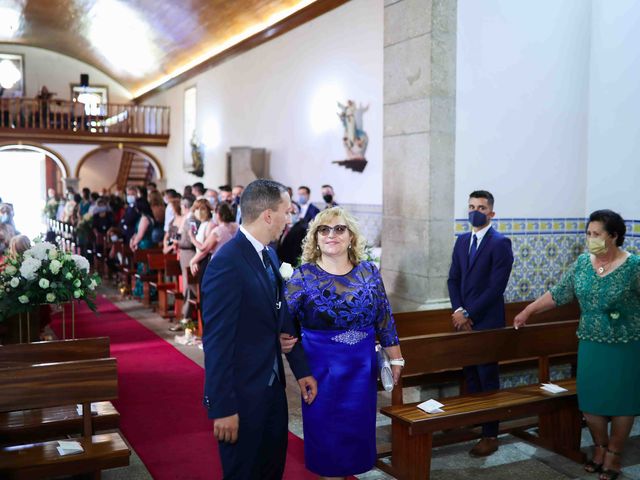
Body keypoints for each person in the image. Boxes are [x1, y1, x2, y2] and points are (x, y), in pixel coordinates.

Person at [201, 179, 317, 479]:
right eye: (286, 212)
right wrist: (222, 407)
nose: (289, 219)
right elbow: (216, 341)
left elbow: (281, 319)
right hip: (242, 397)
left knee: (270, 470)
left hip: (272, 393)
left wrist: (302, 369)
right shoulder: (227, 262)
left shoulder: (270, 255)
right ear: (268, 215)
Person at [514, 210, 639, 480]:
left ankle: (614, 453)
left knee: (622, 402)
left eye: (597, 234)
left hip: (624, 346)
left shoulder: (633, 267)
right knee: (591, 401)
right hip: (591, 344)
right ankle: (599, 446)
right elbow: (558, 293)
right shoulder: (583, 263)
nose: (590, 239)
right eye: (588, 233)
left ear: (614, 236)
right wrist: (528, 311)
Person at [285, 206, 402, 478]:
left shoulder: (369, 272)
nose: (331, 235)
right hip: (321, 372)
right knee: (326, 438)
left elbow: (384, 318)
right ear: (315, 238)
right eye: (323, 230)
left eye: (339, 229)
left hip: (361, 370)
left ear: (351, 236)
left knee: (358, 435)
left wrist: (396, 358)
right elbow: (286, 331)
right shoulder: (302, 277)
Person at [446, 190, 513, 457]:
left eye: (482, 208)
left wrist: (470, 312)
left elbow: (496, 288)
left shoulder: (500, 243)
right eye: (472, 206)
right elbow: (453, 279)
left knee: (487, 378)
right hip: (464, 321)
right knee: (470, 374)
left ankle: (490, 434)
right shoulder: (463, 240)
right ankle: (476, 419)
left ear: (491, 213)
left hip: (487, 321)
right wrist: (459, 311)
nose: (476, 211)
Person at [189, 202, 237, 275]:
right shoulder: (237, 227)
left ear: (218, 215)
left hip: (220, 264)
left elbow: (204, 248)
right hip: (234, 261)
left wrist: (192, 237)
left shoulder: (218, 231)